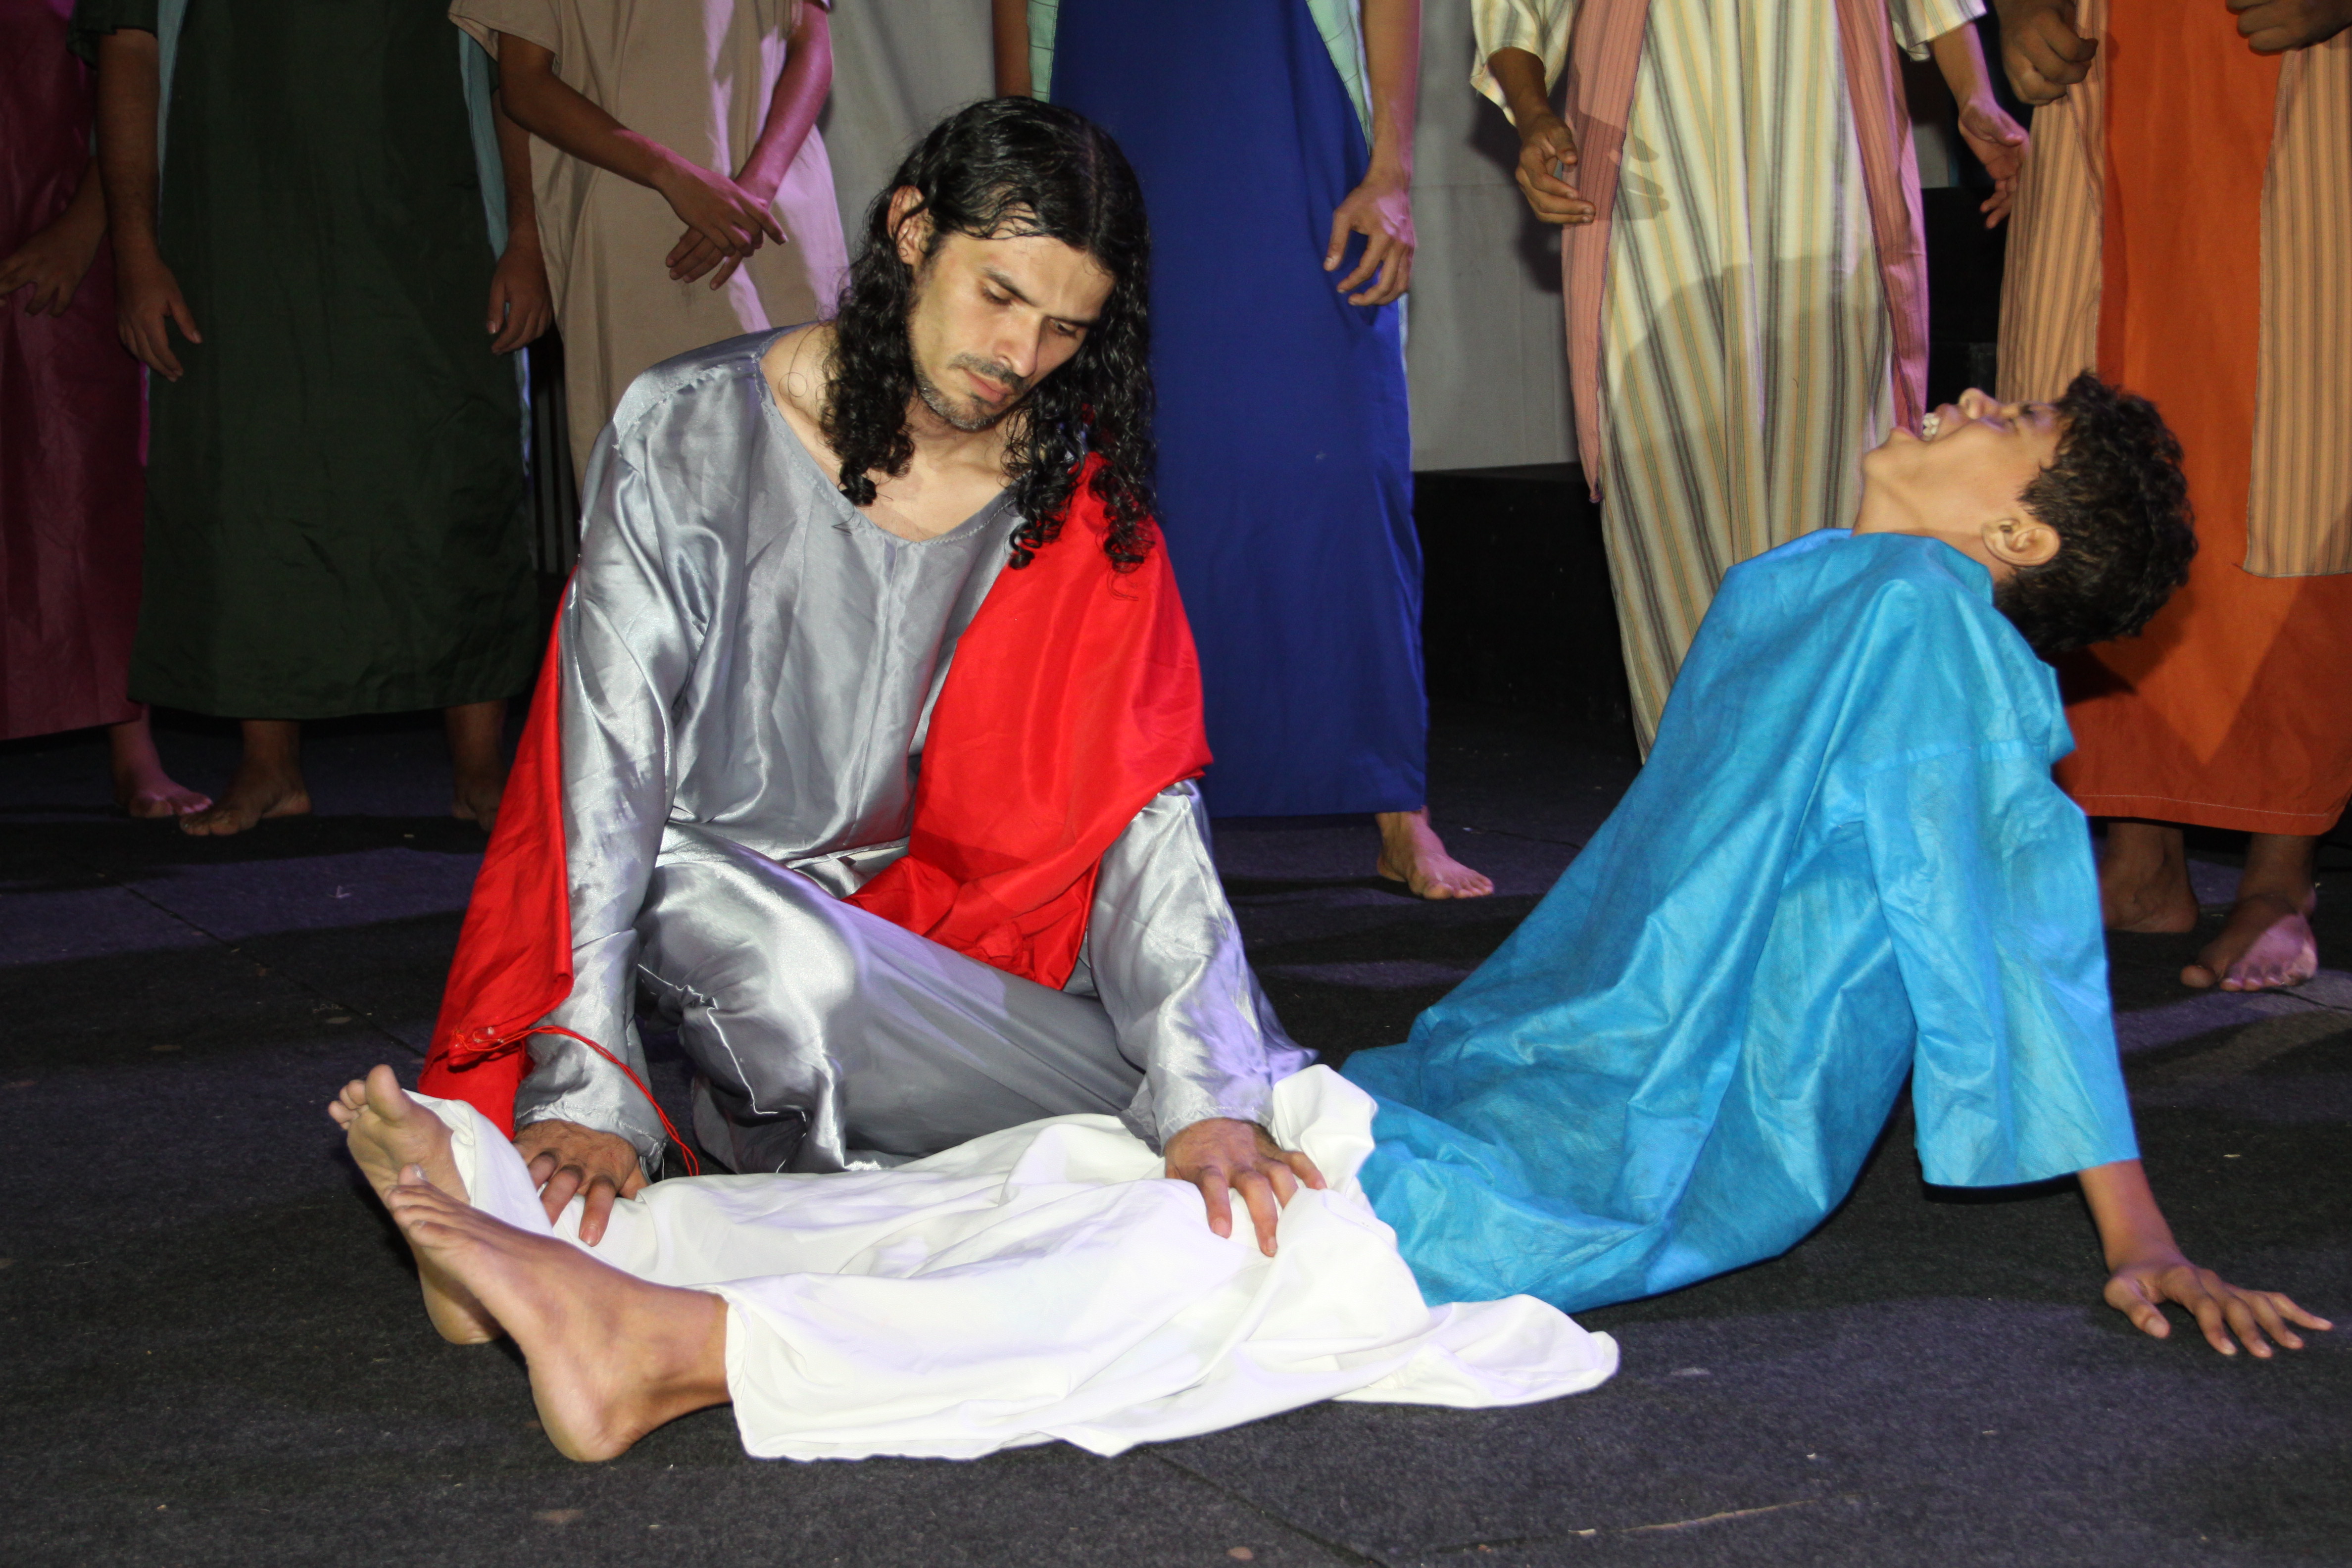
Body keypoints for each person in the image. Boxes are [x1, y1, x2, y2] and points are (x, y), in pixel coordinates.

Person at [416, 99, 1325, 1262]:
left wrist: (1205, 1095)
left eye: (1064, 329)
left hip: (949, 949)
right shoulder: (687, 429)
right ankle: (886, 1156)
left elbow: (1141, 805)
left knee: (1230, 1093)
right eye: (998, 295)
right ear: (911, 229)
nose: (1019, 357)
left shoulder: (1066, 501)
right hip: (722, 904)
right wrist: (587, 1085)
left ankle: (808, 1176)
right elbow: (605, 771)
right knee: (795, 980)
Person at [1346, 378, 2334, 1358]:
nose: (1974, 395)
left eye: (2012, 423)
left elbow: (2011, 920)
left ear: (2018, 535)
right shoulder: (1804, 578)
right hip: (1606, 1020)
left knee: (1377, 1224)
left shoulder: (1932, 622)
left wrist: (2139, 1235)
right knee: (1333, 1167)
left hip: (1706, 1085)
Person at [328, 1062, 1617, 1462]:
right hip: (1407, 1111)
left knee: (1213, 1241)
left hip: (1432, 1210)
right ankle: (572, 1242)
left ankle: (680, 1349)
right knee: (1036, 1178)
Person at [994, 0, 1495, 901]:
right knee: (1135, 481)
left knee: (1345, 471)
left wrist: (1391, 171)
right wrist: (1025, 204)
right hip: (1115, 143)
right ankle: (1132, 809)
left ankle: (1397, 805)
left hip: (1295, 147)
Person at [1476, 0, 2028, 752]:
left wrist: (1976, 96)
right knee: (1668, 509)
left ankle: (1835, 799)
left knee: (1840, 502)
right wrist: (1534, 114)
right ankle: (1693, 805)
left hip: (1826, 167)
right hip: (1647, 170)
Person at [72, 0, 549, 835]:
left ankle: (481, 771)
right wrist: (137, 253)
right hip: (233, 228)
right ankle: (269, 766)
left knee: (451, 477)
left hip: (431, 219)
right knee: (252, 476)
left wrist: (527, 236)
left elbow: (514, 52)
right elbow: (129, 53)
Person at [1992, 0, 2352, 992]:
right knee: (2090, 463)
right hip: (2115, 64)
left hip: (2302, 73)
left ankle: (2280, 875)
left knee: (2293, 455)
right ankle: (2138, 857)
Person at [450, 0, 850, 487]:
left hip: (772, 214)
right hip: (639, 224)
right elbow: (522, 86)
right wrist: (669, 176)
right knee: (664, 477)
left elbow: (811, 46)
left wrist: (756, 189)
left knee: (813, 468)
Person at [0, 0, 204, 816]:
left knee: (85, 475)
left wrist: (88, 228)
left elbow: (137, 71)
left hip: (56, 212)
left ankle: (132, 741)